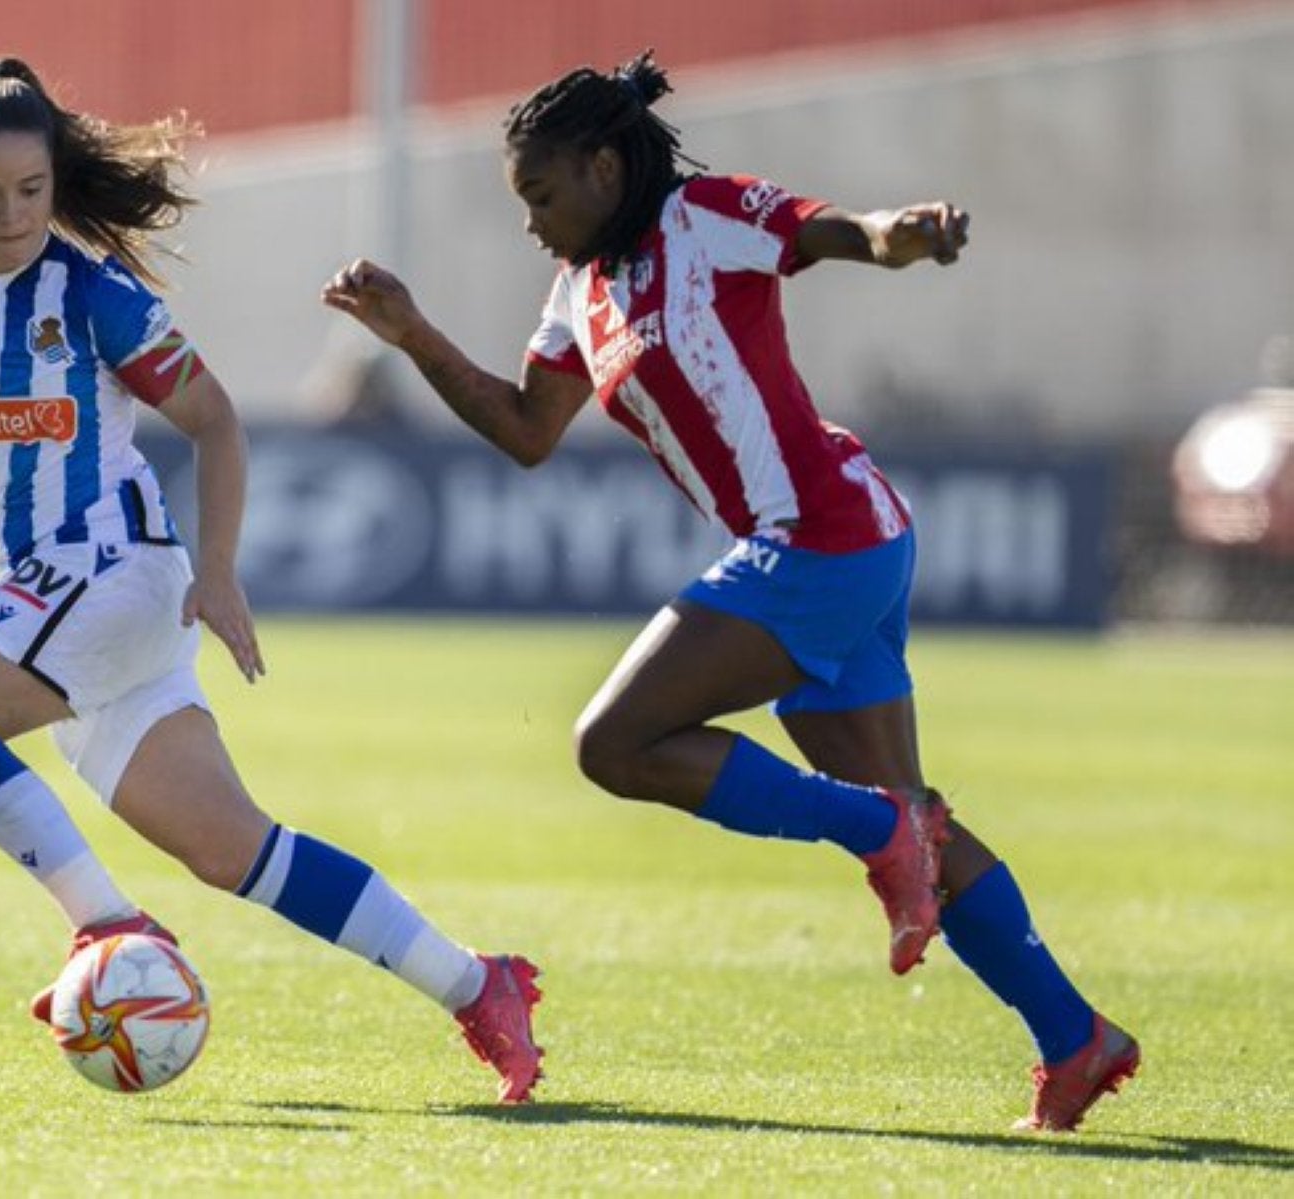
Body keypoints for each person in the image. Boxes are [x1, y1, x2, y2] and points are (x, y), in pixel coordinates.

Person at [322, 50, 1136, 1132]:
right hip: (823, 541)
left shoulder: (702, 216)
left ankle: (876, 826)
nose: (530, 221)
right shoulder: (582, 287)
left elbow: (843, 232)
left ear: (607, 168)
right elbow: (526, 429)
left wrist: (910, 234)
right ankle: (1074, 1035)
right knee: (923, 833)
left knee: (614, 743)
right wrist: (413, 334)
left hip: (823, 534)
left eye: (541, 193)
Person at [0, 57, 542, 1104]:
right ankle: (479, 983)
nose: (11, 213)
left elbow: (215, 420)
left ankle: (107, 926)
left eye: (31, 191)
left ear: (54, 183)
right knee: (238, 852)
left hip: (115, 572)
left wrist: (216, 571)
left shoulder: (90, 293)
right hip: (56, 606)